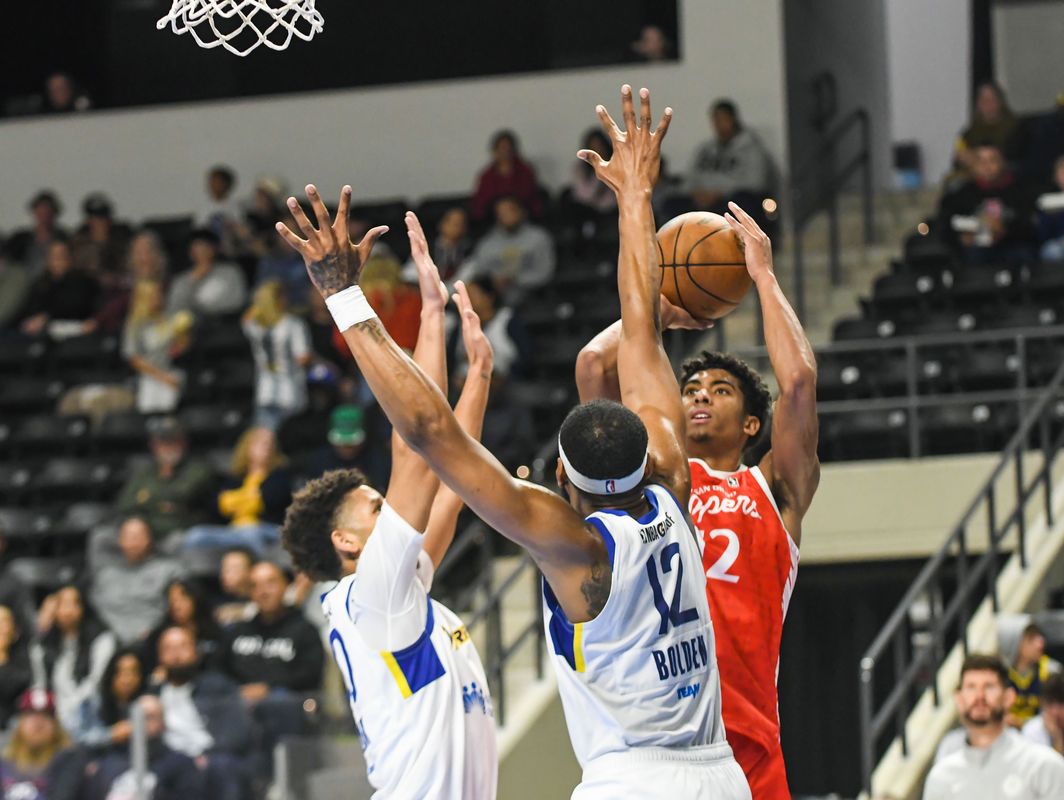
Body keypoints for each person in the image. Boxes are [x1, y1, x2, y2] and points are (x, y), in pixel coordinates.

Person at [275, 84, 750, 797]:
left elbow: (429, 437)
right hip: (720, 771)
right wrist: (635, 196)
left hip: (636, 779)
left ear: (562, 480)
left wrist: (345, 295)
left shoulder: (575, 544)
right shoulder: (674, 482)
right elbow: (642, 329)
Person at [575, 211, 818, 797]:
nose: (701, 396)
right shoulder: (657, 481)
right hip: (661, 737)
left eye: (721, 390)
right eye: (690, 390)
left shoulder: (774, 488)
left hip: (748, 744)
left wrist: (760, 276)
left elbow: (801, 381)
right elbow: (593, 365)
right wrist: (660, 307)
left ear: (752, 422)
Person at [278, 204, 499, 799]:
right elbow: (417, 450)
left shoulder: (399, 593)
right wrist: (348, 297)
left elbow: (451, 485)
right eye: (376, 506)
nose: (393, 506)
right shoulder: (368, 596)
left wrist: (470, 367)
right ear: (345, 542)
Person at [221, 561, 324, 782]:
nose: (263, 591)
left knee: (280, 703)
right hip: (240, 715)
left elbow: (311, 674)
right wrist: (238, 691)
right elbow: (218, 668)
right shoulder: (236, 631)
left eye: (270, 583)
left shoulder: (304, 629)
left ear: (286, 586)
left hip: (287, 715)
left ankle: (277, 784)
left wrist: (268, 688)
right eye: (255, 585)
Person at [923, 654, 1064, 800]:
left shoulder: (1043, 766)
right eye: (971, 687)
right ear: (959, 699)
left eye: (989, 687)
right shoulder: (941, 777)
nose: (979, 697)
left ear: (1009, 698)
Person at [151, 627, 252, 800]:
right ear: (160, 656)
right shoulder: (152, 695)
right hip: (170, 760)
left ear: (195, 652)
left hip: (213, 757)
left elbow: (236, 734)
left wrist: (206, 756)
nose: (176, 655)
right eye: (169, 648)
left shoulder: (218, 687)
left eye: (183, 647)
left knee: (224, 767)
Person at [183, 427, 291, 555]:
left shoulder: (279, 476)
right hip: (234, 530)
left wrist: (236, 500)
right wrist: (250, 499)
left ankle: (259, 567)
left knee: (250, 532)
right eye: (260, 443)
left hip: (266, 529)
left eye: (270, 444)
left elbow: (268, 501)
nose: (266, 447)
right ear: (247, 447)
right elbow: (219, 506)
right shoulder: (234, 479)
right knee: (196, 535)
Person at [30, 585, 117, 738]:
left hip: (90, 708)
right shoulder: (42, 646)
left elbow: (95, 682)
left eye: (73, 604)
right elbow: (40, 685)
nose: (67, 610)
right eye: (62, 604)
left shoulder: (102, 639)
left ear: (83, 607)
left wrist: (71, 706)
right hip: (54, 712)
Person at [114, 416, 216, 543]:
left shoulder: (198, 469)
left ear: (183, 443)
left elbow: (180, 495)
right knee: (103, 537)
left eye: (173, 442)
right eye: (163, 442)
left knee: (181, 539)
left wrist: (147, 500)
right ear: (153, 445)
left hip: (180, 530)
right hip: (145, 530)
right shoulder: (145, 472)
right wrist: (144, 519)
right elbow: (126, 504)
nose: (168, 447)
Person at [669, 99, 774, 220]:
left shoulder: (752, 149)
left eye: (722, 119)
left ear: (733, 119)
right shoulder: (705, 150)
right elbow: (691, 177)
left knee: (743, 202)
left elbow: (756, 183)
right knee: (673, 204)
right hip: (702, 199)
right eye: (715, 120)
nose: (719, 124)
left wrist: (718, 193)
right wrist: (697, 193)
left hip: (730, 200)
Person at [85, 694, 204, 800]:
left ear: (163, 724)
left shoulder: (181, 764)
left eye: (151, 717)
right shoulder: (110, 763)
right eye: (139, 717)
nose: (143, 722)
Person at [90, 517, 183, 645]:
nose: (133, 542)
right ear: (119, 540)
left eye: (138, 536)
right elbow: (93, 608)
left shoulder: (170, 571)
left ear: (149, 539)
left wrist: (157, 632)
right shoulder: (105, 574)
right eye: (128, 536)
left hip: (154, 638)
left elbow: (182, 604)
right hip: (110, 640)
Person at [939, 144, 1037, 267]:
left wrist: (1005, 230)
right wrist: (961, 238)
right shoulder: (960, 194)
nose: (987, 166)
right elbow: (945, 226)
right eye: (981, 161)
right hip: (974, 251)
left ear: (1002, 163)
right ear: (973, 166)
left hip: (1013, 247)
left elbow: (1031, 225)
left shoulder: (1020, 190)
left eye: (992, 160)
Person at [242, 281, 312, 429]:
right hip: (290, 391)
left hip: (265, 390)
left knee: (264, 435)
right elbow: (303, 358)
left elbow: (245, 318)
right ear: (279, 299)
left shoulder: (253, 324)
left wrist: (260, 304)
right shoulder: (293, 324)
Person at [0, 689, 87, 799]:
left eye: (45, 715)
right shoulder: (4, 760)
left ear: (55, 725)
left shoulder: (68, 759)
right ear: (20, 723)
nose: (38, 723)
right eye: (31, 715)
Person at [466, 195, 556, 301]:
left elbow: (545, 273)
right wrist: (493, 280)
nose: (506, 216)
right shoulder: (487, 242)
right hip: (493, 298)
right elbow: (478, 271)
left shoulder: (539, 238)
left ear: (522, 212)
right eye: (501, 212)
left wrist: (514, 279)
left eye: (510, 210)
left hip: (532, 296)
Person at [122, 280, 192, 414]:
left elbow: (180, 349)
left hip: (173, 372)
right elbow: (134, 358)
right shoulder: (135, 324)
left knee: (170, 414)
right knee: (148, 415)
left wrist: (183, 337)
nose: (158, 298)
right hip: (150, 377)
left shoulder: (170, 317)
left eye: (159, 294)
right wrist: (163, 377)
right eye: (153, 295)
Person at [448, 277, 533, 381]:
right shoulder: (461, 326)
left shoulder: (507, 319)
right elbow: (450, 361)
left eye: (472, 295)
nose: (467, 300)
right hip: (465, 381)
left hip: (504, 383)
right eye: (465, 296)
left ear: (489, 297)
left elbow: (526, 356)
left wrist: (503, 377)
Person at [16, 237, 101, 338]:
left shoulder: (82, 281)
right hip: (40, 330)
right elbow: (28, 307)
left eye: (61, 255)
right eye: (53, 256)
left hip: (73, 329)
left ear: (70, 258)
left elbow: (76, 306)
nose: (57, 260)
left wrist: (46, 317)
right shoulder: (40, 283)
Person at [144, 580, 223, 674]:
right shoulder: (159, 635)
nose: (177, 605)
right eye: (172, 600)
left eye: (182, 599)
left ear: (195, 599)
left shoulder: (213, 632)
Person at [301, 404, 388, 488]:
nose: (346, 448)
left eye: (351, 444)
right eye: (341, 443)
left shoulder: (378, 460)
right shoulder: (318, 461)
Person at [75, 647, 146, 750]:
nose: (127, 679)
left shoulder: (145, 703)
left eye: (133, 672)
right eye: (121, 672)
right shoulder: (93, 701)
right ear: (111, 674)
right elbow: (81, 738)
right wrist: (111, 735)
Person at [165, 229, 247, 318]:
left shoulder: (230, 272)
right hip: (193, 327)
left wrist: (204, 311)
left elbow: (238, 301)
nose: (202, 252)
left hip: (226, 324)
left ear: (214, 248)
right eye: (197, 247)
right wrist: (193, 281)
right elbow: (173, 310)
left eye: (206, 247)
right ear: (190, 252)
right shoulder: (181, 280)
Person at [998, 614, 1061, 728]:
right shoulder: (997, 674)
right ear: (1013, 643)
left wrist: (1023, 724)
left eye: (1040, 636)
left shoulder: (1052, 671)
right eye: (1031, 639)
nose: (1040, 643)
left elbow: (1059, 716)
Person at [469, 129, 543, 221]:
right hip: (494, 221)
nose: (504, 152)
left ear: (514, 150)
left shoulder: (525, 171)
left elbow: (530, 199)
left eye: (508, 148)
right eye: (501, 148)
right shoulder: (487, 176)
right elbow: (480, 205)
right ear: (494, 151)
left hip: (523, 219)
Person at [950, 84, 1018, 181]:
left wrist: (990, 161)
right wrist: (965, 160)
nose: (988, 104)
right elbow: (956, 164)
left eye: (992, 99)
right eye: (984, 100)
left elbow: (1019, 161)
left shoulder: (1016, 128)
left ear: (1000, 102)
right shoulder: (969, 133)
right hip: (974, 183)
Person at [254, 216, 312, 310]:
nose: (288, 238)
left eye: (294, 232)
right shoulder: (268, 261)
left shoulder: (309, 260)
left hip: (301, 310)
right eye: (283, 234)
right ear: (277, 236)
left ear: (301, 234)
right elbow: (260, 289)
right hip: (272, 309)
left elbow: (311, 295)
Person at [3, 190, 67, 272]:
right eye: (41, 211)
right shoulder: (19, 239)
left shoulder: (63, 238)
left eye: (48, 212)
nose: (44, 215)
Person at [71, 192, 131, 280]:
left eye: (101, 218)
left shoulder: (121, 243)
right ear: (88, 221)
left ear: (109, 221)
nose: (98, 223)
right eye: (93, 218)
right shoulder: (77, 244)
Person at [407, 206, 472, 281]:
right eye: (452, 221)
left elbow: (468, 273)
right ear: (442, 224)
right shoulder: (425, 247)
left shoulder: (468, 249)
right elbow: (409, 273)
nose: (456, 226)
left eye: (460, 223)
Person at [0, 604, 32, 729]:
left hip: (13, 725)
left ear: (14, 630)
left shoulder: (25, 659)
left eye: (4, 622)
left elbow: (16, 687)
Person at [213, 548, 257, 626]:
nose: (225, 575)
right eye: (224, 569)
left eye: (233, 569)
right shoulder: (214, 599)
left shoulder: (261, 597)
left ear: (251, 570)